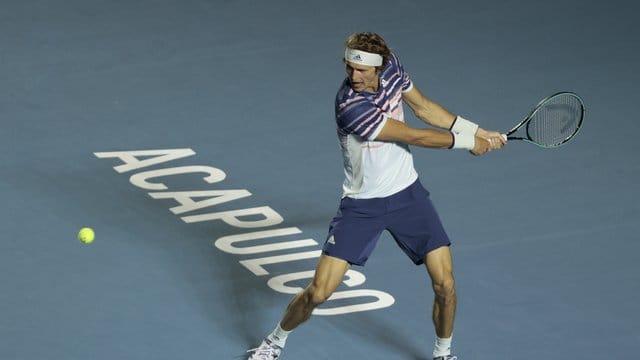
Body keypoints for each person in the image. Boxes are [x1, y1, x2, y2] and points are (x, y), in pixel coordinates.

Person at [247, 32, 506, 360]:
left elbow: (424, 108)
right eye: (349, 68)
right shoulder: (350, 105)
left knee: (446, 285)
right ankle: (274, 340)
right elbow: (414, 135)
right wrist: (468, 143)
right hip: (361, 207)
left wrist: (476, 130)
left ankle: (443, 353)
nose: (353, 76)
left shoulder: (394, 68)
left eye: (362, 71)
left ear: (380, 67)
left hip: (408, 197)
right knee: (320, 291)